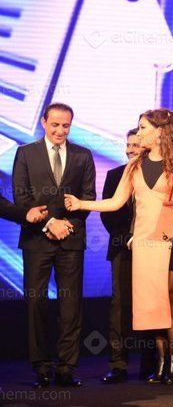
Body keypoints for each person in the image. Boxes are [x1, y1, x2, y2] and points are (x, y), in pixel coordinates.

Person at [65, 108, 173, 384]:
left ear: (160, 131)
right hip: (145, 242)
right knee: (152, 301)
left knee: (172, 297)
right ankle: (160, 363)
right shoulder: (134, 166)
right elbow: (116, 202)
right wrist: (81, 203)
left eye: (143, 128)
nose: (139, 132)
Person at [12, 103, 96, 388]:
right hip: (37, 239)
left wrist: (66, 224)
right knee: (36, 303)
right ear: (44, 122)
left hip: (71, 239)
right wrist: (49, 223)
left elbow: (87, 198)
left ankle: (66, 368)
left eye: (66, 125)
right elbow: (21, 198)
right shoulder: (26, 153)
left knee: (70, 305)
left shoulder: (83, 155)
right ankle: (41, 367)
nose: (61, 130)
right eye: (55, 124)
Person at [100, 128, 155, 383]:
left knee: (150, 306)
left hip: (152, 250)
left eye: (136, 145)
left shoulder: (156, 174)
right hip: (122, 249)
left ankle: (149, 363)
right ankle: (118, 364)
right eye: (128, 145)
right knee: (120, 307)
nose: (130, 149)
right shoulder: (115, 175)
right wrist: (128, 239)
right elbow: (107, 213)